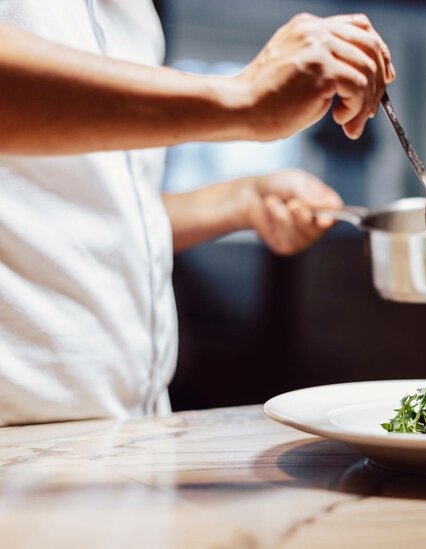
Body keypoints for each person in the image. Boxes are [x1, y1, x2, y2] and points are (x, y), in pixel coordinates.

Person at [0, 1, 395, 426]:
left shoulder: (136, 16)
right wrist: (243, 96)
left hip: (128, 428)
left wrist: (242, 200)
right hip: (19, 434)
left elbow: (88, 212)